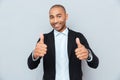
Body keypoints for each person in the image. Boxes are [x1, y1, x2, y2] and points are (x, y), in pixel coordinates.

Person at [27, 4, 99, 80]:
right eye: (52, 17)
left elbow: (95, 64)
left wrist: (88, 54)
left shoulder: (78, 37)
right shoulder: (44, 39)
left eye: (59, 16)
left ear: (66, 16)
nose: (55, 21)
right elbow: (31, 66)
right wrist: (34, 54)